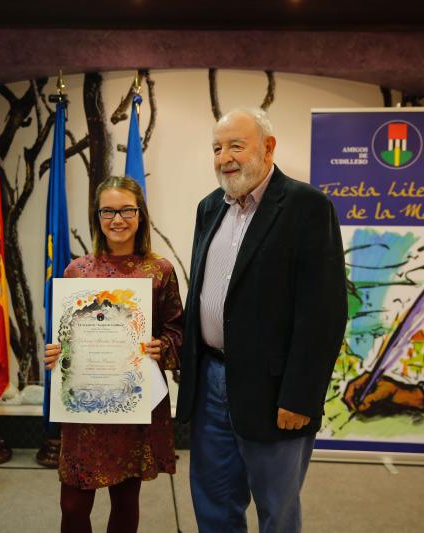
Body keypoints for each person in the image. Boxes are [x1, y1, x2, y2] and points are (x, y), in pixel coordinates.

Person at [176, 108, 348, 533]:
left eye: (236, 145)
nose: (224, 157)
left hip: (276, 394)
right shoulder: (209, 208)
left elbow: (323, 314)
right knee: (214, 506)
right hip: (210, 385)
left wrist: (301, 397)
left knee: (277, 510)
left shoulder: (307, 206)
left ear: (268, 148)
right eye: (217, 148)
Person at [44, 176, 183, 533]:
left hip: (131, 402)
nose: (117, 219)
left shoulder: (159, 271)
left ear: (140, 215)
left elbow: (178, 330)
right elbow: (66, 334)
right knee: (72, 504)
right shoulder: (77, 271)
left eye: (126, 210)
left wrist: (162, 346)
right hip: (84, 406)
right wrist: (57, 353)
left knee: (125, 498)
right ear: (97, 216)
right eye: (108, 211)